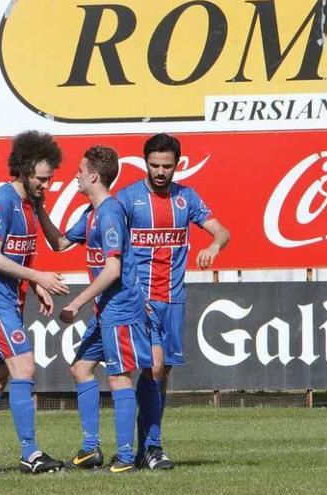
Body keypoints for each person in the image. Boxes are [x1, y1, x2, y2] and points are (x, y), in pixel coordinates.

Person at [0, 131, 69, 475]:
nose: (46, 185)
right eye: (40, 178)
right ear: (22, 170)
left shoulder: (31, 205)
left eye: (50, 179)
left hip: (9, 300)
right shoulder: (2, 201)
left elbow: (51, 245)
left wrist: (34, 285)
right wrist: (38, 278)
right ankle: (30, 454)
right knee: (25, 367)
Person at [117, 133, 230, 468]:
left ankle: (146, 448)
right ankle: (149, 447)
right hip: (141, 300)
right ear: (145, 164)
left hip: (174, 300)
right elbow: (110, 243)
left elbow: (222, 231)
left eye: (167, 165)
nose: (161, 172)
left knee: (162, 374)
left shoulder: (187, 198)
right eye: (154, 165)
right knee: (152, 369)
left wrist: (212, 246)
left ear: (177, 164)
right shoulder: (128, 199)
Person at [37, 145, 152, 474]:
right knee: (81, 369)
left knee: (118, 378)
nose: (75, 175)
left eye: (79, 169)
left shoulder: (111, 212)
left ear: (93, 176)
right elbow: (59, 244)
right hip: (106, 312)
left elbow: (113, 269)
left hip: (121, 310)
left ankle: (127, 456)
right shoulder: (91, 214)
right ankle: (91, 449)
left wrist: (75, 302)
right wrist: (40, 209)